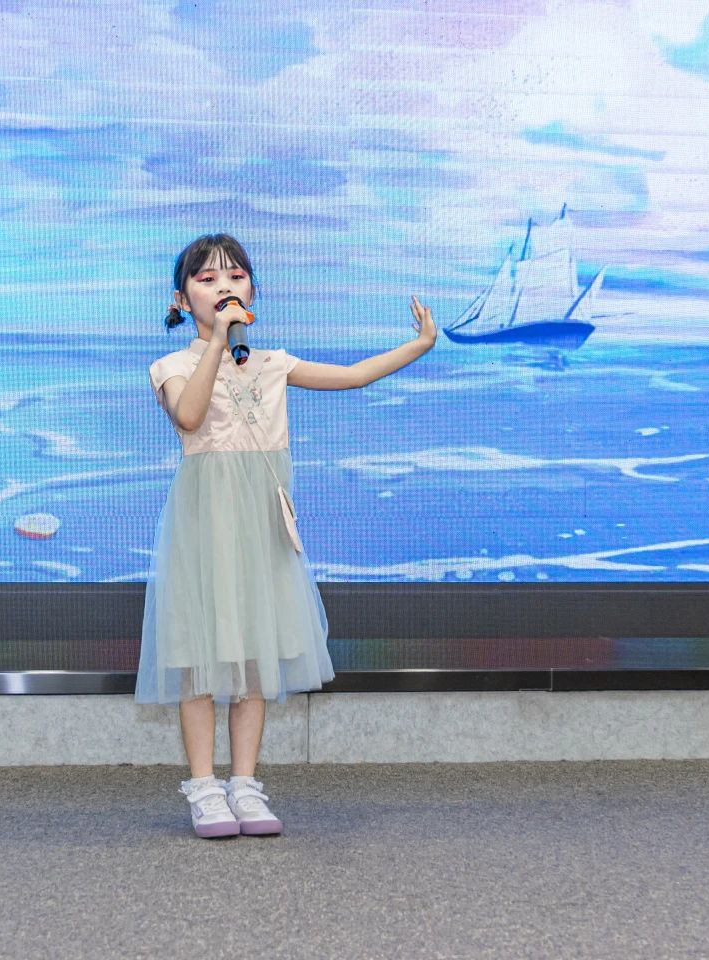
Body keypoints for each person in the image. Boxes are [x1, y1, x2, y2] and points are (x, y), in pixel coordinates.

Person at [136, 233, 436, 838]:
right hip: (205, 527)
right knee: (199, 657)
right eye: (207, 279)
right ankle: (204, 788)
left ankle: (245, 785)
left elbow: (353, 376)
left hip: (263, 527)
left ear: (253, 291)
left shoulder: (273, 363)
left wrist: (420, 344)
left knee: (254, 657)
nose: (224, 287)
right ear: (181, 300)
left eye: (236, 276)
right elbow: (189, 416)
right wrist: (217, 343)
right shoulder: (171, 367)